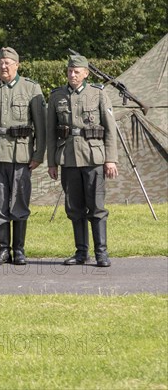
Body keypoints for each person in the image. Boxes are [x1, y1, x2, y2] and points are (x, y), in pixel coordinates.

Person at [0, 47, 46, 266]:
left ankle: (19, 250)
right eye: (1, 62)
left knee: (19, 202)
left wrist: (38, 154)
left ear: (17, 65)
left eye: (8, 63)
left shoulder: (31, 89)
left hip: (21, 155)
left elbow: (40, 126)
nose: (3, 66)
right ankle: (3, 249)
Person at [47, 55, 118, 267]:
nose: (72, 74)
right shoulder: (57, 96)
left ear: (86, 73)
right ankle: (81, 253)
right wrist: (52, 162)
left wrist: (110, 159)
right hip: (68, 159)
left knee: (96, 207)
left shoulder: (98, 94)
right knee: (74, 208)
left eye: (77, 71)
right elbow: (51, 132)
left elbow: (110, 128)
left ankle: (101, 253)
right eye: (70, 71)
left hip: (93, 158)